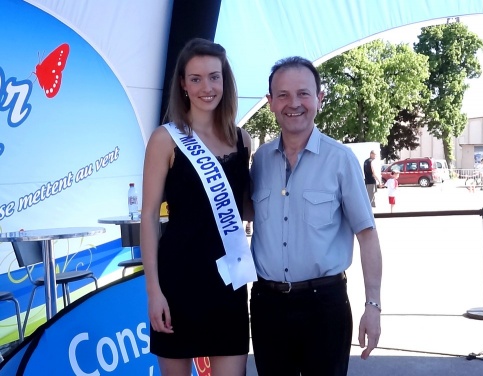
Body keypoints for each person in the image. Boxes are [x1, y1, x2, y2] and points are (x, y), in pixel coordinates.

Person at [250, 56, 382, 376]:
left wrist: (373, 306)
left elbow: (367, 235)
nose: (293, 103)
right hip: (268, 305)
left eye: (303, 93)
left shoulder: (342, 160)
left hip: (325, 306)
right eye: (282, 95)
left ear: (319, 99)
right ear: (270, 102)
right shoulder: (260, 160)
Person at [141, 38, 254, 376]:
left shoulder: (242, 139)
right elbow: (147, 217)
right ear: (182, 84)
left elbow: (246, 208)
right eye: (196, 78)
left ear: (225, 80)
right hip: (178, 283)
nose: (207, 87)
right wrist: (153, 292)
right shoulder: (165, 139)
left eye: (214, 77)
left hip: (229, 284)